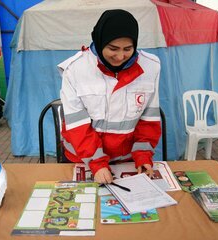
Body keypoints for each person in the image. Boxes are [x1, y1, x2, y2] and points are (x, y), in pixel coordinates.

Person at [58, 9, 161, 184]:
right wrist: (96, 162)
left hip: (128, 162)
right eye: (113, 48)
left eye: (128, 49)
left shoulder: (151, 66)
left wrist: (143, 156)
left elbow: (148, 120)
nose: (120, 56)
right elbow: (77, 126)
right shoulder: (75, 70)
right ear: (99, 41)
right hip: (83, 160)